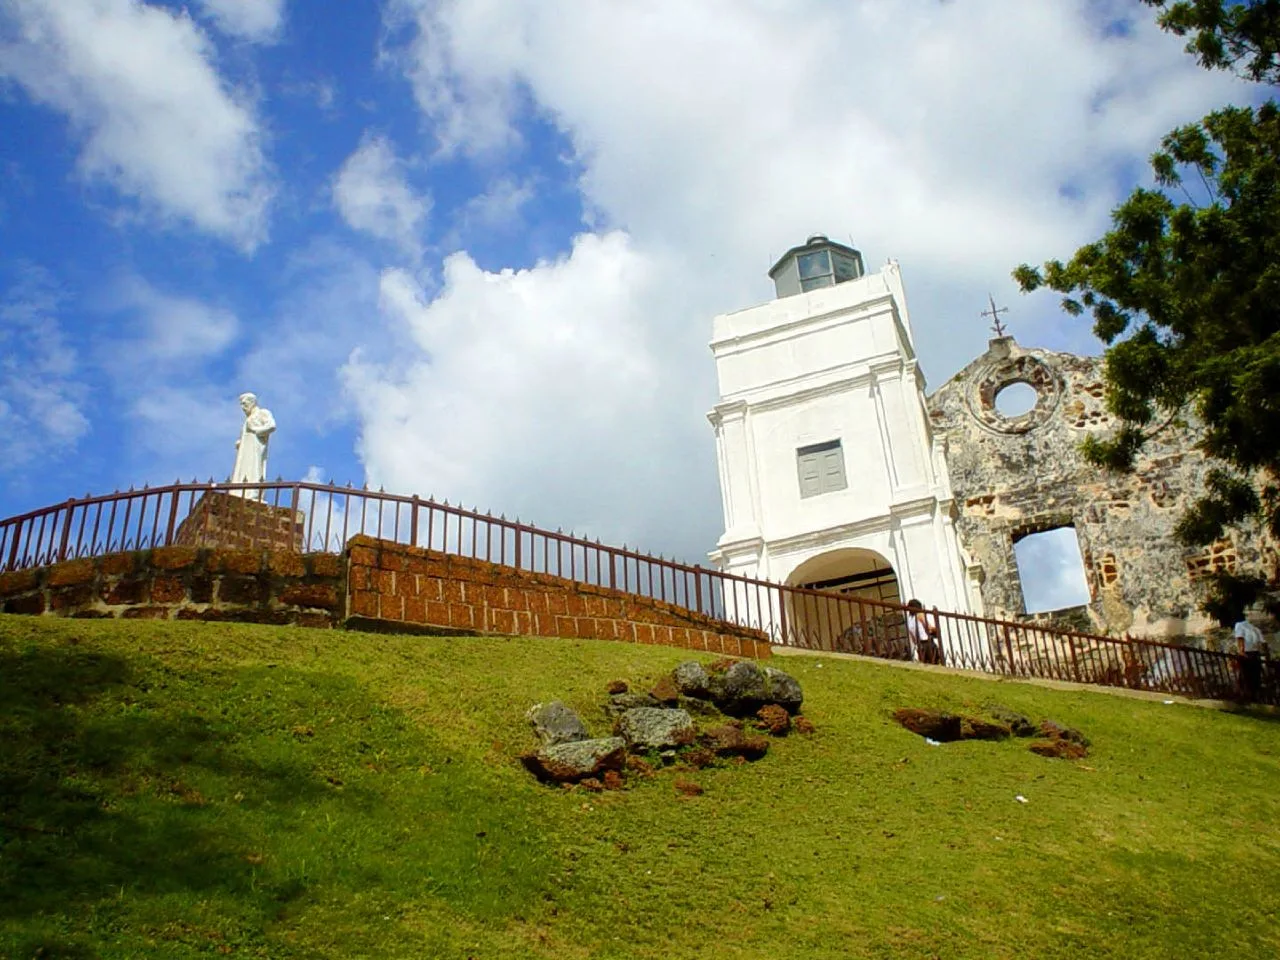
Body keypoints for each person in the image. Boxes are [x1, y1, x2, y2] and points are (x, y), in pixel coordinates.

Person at [230, 392, 277, 499]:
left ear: (252, 403)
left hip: (255, 448)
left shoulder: (262, 413)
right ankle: (239, 491)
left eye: (245, 404)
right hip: (245, 451)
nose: (243, 407)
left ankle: (253, 492)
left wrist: (256, 431)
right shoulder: (247, 419)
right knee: (242, 469)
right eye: (241, 405)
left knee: (254, 468)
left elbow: (272, 426)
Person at [906, 598, 943, 665]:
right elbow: (928, 627)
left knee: (925, 663)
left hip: (919, 644)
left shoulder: (909, 620)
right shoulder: (920, 615)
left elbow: (911, 635)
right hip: (927, 643)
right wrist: (936, 629)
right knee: (935, 663)